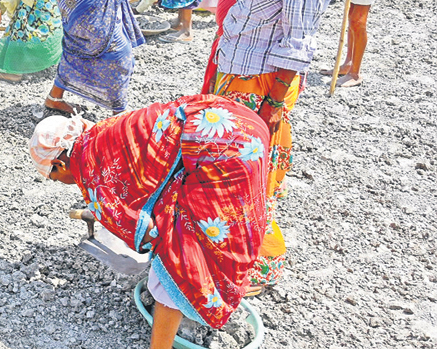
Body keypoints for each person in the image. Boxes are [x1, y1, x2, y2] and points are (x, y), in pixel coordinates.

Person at [31, 94, 271, 347]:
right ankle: (220, 290)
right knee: (230, 225)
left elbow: (149, 233)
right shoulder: (103, 133)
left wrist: (161, 250)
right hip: (238, 125)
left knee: (181, 260)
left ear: (59, 163)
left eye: (55, 178)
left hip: (218, 149)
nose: (63, 183)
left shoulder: (92, 174)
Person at [205, 0, 331, 290]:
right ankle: (222, 247)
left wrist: (274, 105)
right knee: (222, 167)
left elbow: (296, 43)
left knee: (247, 175)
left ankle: (260, 261)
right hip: (236, 73)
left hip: (264, 85)